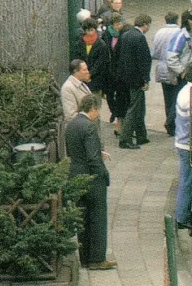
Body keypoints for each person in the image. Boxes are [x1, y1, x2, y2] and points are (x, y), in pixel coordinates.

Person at [66, 95, 116, 270]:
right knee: (97, 218)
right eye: (98, 110)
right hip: (92, 179)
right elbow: (92, 158)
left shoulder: (71, 125)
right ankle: (97, 258)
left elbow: (75, 151)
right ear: (93, 108)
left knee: (82, 218)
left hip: (75, 175)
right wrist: (102, 174)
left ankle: (85, 258)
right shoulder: (89, 127)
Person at [117, 13, 152, 149]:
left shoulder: (126, 35)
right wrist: (145, 80)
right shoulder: (139, 38)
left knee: (139, 106)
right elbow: (144, 61)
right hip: (136, 79)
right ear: (145, 24)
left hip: (126, 78)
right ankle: (125, 139)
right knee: (134, 108)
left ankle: (141, 135)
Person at [174, 61, 192, 230]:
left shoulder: (184, 91)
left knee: (186, 180)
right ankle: (182, 217)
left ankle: (182, 215)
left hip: (182, 142)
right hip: (190, 145)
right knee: (188, 181)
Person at [152, 12, 181, 137]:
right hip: (174, 68)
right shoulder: (179, 33)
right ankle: (171, 123)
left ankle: (170, 126)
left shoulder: (159, 33)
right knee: (177, 98)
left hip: (162, 67)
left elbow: (155, 53)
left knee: (167, 98)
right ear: (177, 20)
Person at [102, 14, 128, 133]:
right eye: (116, 24)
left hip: (120, 72)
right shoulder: (106, 35)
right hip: (108, 71)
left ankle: (118, 118)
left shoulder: (124, 35)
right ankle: (114, 112)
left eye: (120, 24)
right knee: (109, 95)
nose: (119, 27)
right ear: (112, 25)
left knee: (120, 96)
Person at [73, 18, 110, 100]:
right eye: (87, 30)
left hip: (96, 80)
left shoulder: (101, 45)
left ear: (95, 30)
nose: (89, 33)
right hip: (82, 79)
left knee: (94, 104)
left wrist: (90, 74)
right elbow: (76, 59)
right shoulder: (79, 43)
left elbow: (101, 63)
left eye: (91, 30)